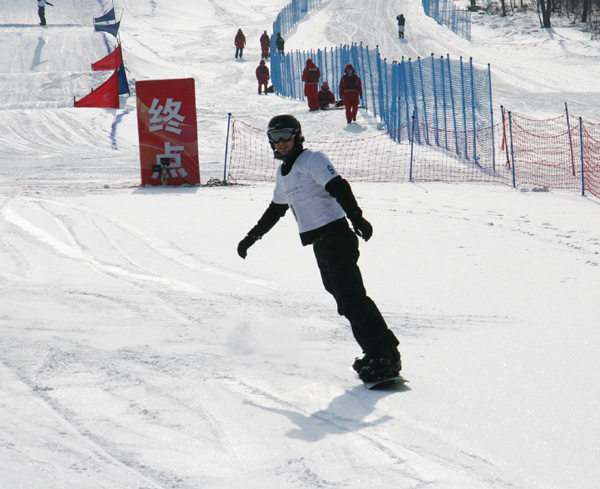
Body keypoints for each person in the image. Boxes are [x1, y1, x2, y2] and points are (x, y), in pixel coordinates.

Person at [237, 114, 402, 384]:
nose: (281, 142)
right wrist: (251, 237)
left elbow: (338, 186)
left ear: (297, 135)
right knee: (346, 303)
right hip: (321, 244)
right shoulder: (283, 173)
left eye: (285, 135)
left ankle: (387, 355)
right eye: (274, 137)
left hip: (336, 237)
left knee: (354, 299)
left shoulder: (312, 159)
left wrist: (356, 217)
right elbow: (276, 209)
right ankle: (374, 352)